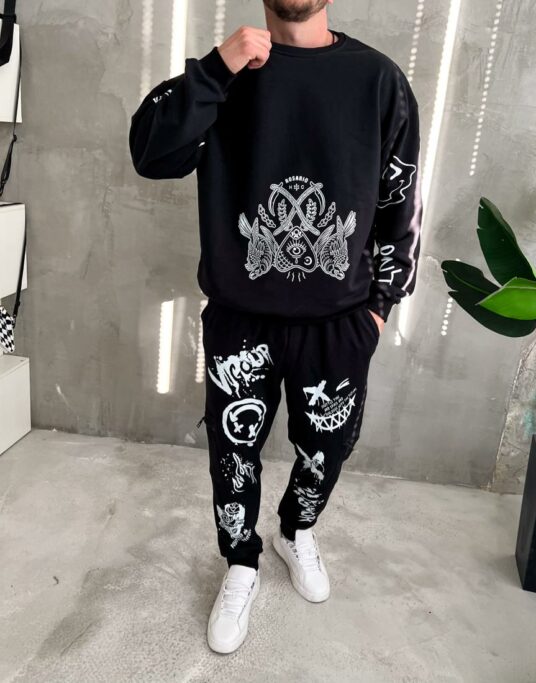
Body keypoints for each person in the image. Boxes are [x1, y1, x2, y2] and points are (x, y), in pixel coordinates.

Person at [129, 0, 422, 655]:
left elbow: (400, 205)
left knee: (327, 449)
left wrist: (377, 311)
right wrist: (215, 69)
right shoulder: (228, 71)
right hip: (241, 317)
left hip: (339, 323)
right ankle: (241, 561)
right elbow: (151, 153)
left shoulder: (377, 79)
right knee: (233, 456)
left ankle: (295, 530)